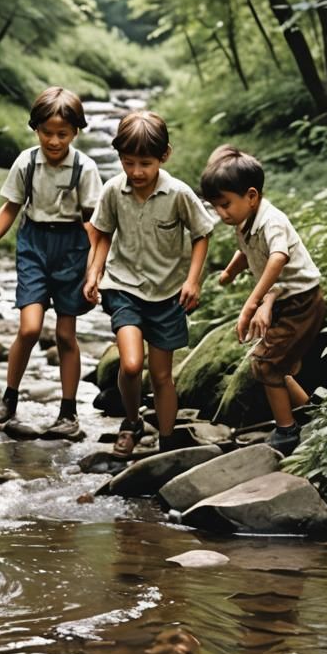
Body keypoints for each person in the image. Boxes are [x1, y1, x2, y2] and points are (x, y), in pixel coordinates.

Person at [0, 86, 103, 438]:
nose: (54, 141)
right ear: (35, 128)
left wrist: (93, 269)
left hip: (73, 245)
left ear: (75, 132)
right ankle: (8, 399)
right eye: (47, 132)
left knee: (64, 333)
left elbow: (93, 222)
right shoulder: (27, 162)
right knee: (28, 328)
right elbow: (11, 206)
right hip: (34, 244)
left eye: (62, 134)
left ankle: (68, 413)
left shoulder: (85, 169)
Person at [84, 111, 214, 457]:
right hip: (123, 287)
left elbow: (202, 234)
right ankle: (131, 422)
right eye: (128, 163)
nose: (137, 172)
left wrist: (193, 281)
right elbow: (102, 233)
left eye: (145, 163)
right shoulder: (114, 190)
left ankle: (167, 441)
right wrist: (94, 272)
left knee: (161, 375)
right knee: (129, 364)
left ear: (164, 156)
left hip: (168, 293)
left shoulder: (178, 193)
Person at [199, 145, 325, 456]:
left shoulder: (272, 221)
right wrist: (229, 271)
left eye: (225, 204)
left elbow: (278, 257)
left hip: (301, 301)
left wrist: (252, 303)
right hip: (284, 298)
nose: (221, 213)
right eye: (215, 206)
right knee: (277, 364)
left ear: (252, 196)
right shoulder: (244, 220)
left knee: (265, 363)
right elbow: (245, 250)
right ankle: (310, 413)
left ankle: (286, 430)